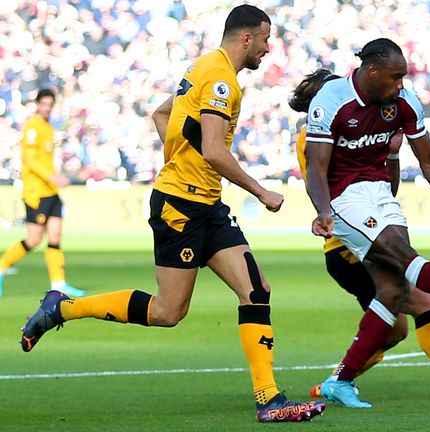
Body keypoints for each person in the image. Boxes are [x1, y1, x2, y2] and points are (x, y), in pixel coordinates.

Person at [18, 5, 324, 423]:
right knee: (168, 312)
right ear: (247, 38)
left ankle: (269, 400)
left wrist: (184, 160)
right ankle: (62, 309)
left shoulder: (203, 67)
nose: (269, 49)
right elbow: (215, 149)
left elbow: (162, 114)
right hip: (180, 206)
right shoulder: (220, 80)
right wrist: (260, 191)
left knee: (256, 289)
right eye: (266, 40)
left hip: (206, 204)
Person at [304, 39, 430, 408]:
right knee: (405, 261)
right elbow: (316, 169)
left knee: (393, 290)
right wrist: (323, 210)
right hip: (343, 199)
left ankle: (341, 381)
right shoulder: (331, 101)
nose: (401, 84)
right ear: (371, 72)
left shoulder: (402, 103)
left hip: (380, 193)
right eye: (395, 76)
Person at [0, 89, 85, 298]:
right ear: (37, 104)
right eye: (44, 103)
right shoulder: (32, 128)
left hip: (50, 191)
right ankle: (1, 267)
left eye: (50, 104)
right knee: (34, 239)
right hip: (36, 191)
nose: (47, 107)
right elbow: (31, 161)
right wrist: (52, 177)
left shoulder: (48, 128)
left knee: (55, 237)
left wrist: (53, 180)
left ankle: (59, 284)